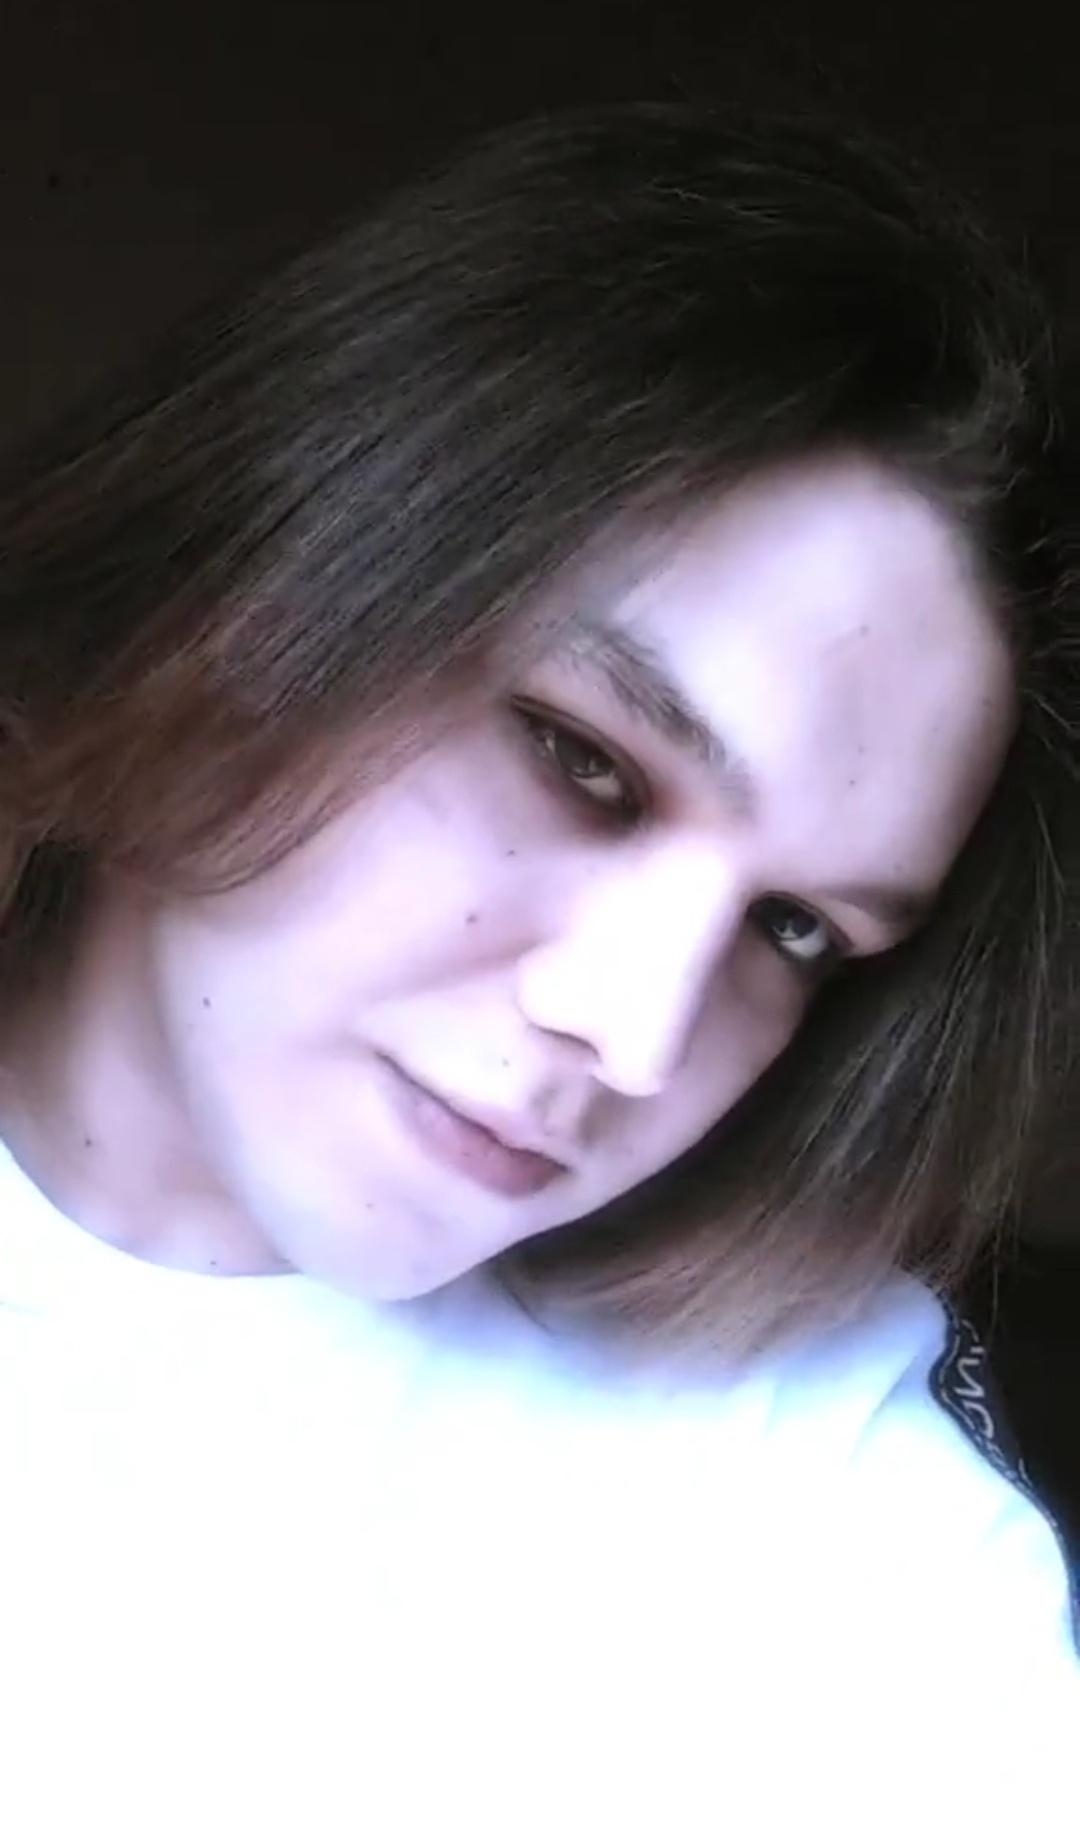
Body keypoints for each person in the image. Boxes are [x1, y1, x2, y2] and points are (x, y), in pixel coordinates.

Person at [0, 104, 1075, 1830]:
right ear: (260, 576)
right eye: (583, 760)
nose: (636, 1035)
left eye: (795, 932)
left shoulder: (795, 1492)